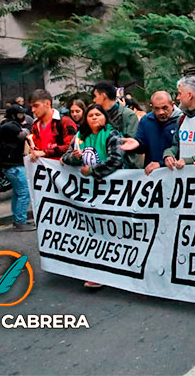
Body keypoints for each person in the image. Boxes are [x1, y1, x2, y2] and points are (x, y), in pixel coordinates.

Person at [62, 104, 124, 290]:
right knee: (93, 230)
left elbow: (116, 160)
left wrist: (92, 170)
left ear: (105, 117)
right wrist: (75, 157)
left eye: (98, 114)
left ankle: (114, 268)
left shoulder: (113, 135)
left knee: (111, 229)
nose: (94, 118)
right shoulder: (81, 137)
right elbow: (65, 158)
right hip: (88, 193)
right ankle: (97, 271)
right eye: (91, 115)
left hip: (111, 191)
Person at [119, 91, 180, 175]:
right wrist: (136, 144)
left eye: (165, 108)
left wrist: (160, 163)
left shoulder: (182, 120)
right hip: (152, 175)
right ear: (151, 107)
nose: (161, 112)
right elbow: (142, 145)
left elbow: (182, 149)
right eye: (156, 109)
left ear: (172, 104)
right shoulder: (146, 120)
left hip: (176, 173)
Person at [0, 107, 35, 231]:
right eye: (20, 114)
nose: (22, 116)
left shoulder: (7, 125)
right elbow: (25, 135)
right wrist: (26, 128)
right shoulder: (9, 126)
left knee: (18, 193)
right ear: (13, 115)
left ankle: (18, 220)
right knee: (24, 193)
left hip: (11, 165)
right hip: (14, 166)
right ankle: (20, 222)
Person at [92, 81, 141, 168]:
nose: (94, 100)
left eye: (95, 96)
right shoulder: (97, 116)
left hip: (125, 168)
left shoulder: (127, 115)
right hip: (102, 165)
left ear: (103, 96)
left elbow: (131, 142)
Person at [28, 89, 77, 161]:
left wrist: (45, 152)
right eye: (31, 107)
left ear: (47, 103)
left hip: (62, 167)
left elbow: (72, 146)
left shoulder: (64, 122)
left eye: (36, 106)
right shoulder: (35, 125)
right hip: (42, 168)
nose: (33, 110)